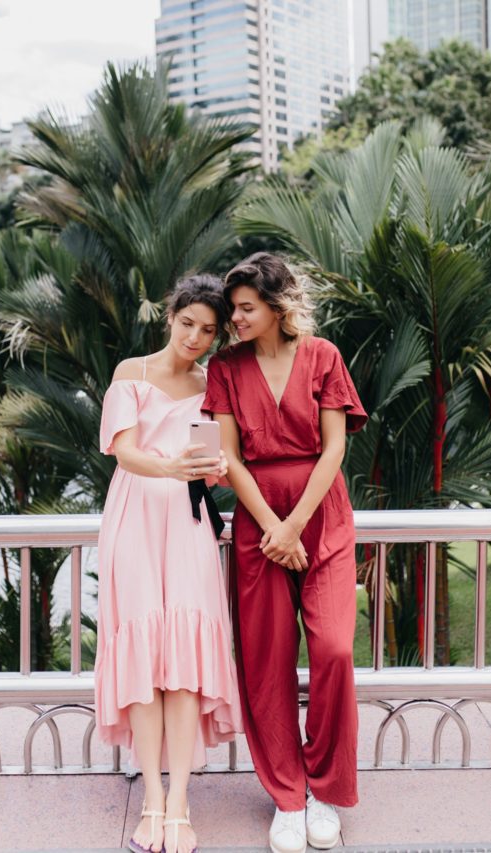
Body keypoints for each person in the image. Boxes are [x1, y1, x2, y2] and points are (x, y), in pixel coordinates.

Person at [202, 253, 367, 853]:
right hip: (259, 523)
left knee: (335, 650)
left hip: (319, 519)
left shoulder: (323, 356)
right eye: (234, 309)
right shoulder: (225, 367)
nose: (236, 319)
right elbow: (230, 460)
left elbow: (333, 449)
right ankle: (288, 798)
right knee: (265, 663)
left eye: (246, 309)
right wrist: (273, 528)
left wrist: (294, 527)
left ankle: (325, 789)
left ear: (277, 306)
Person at [94, 275, 242, 853]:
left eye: (208, 330)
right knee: (144, 661)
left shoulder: (213, 385)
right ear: (170, 317)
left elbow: (216, 457)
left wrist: (215, 468)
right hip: (134, 518)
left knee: (184, 665)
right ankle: (151, 799)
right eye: (188, 324)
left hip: (188, 522)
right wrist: (171, 467)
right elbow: (125, 450)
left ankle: (179, 803)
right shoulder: (131, 372)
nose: (196, 338)